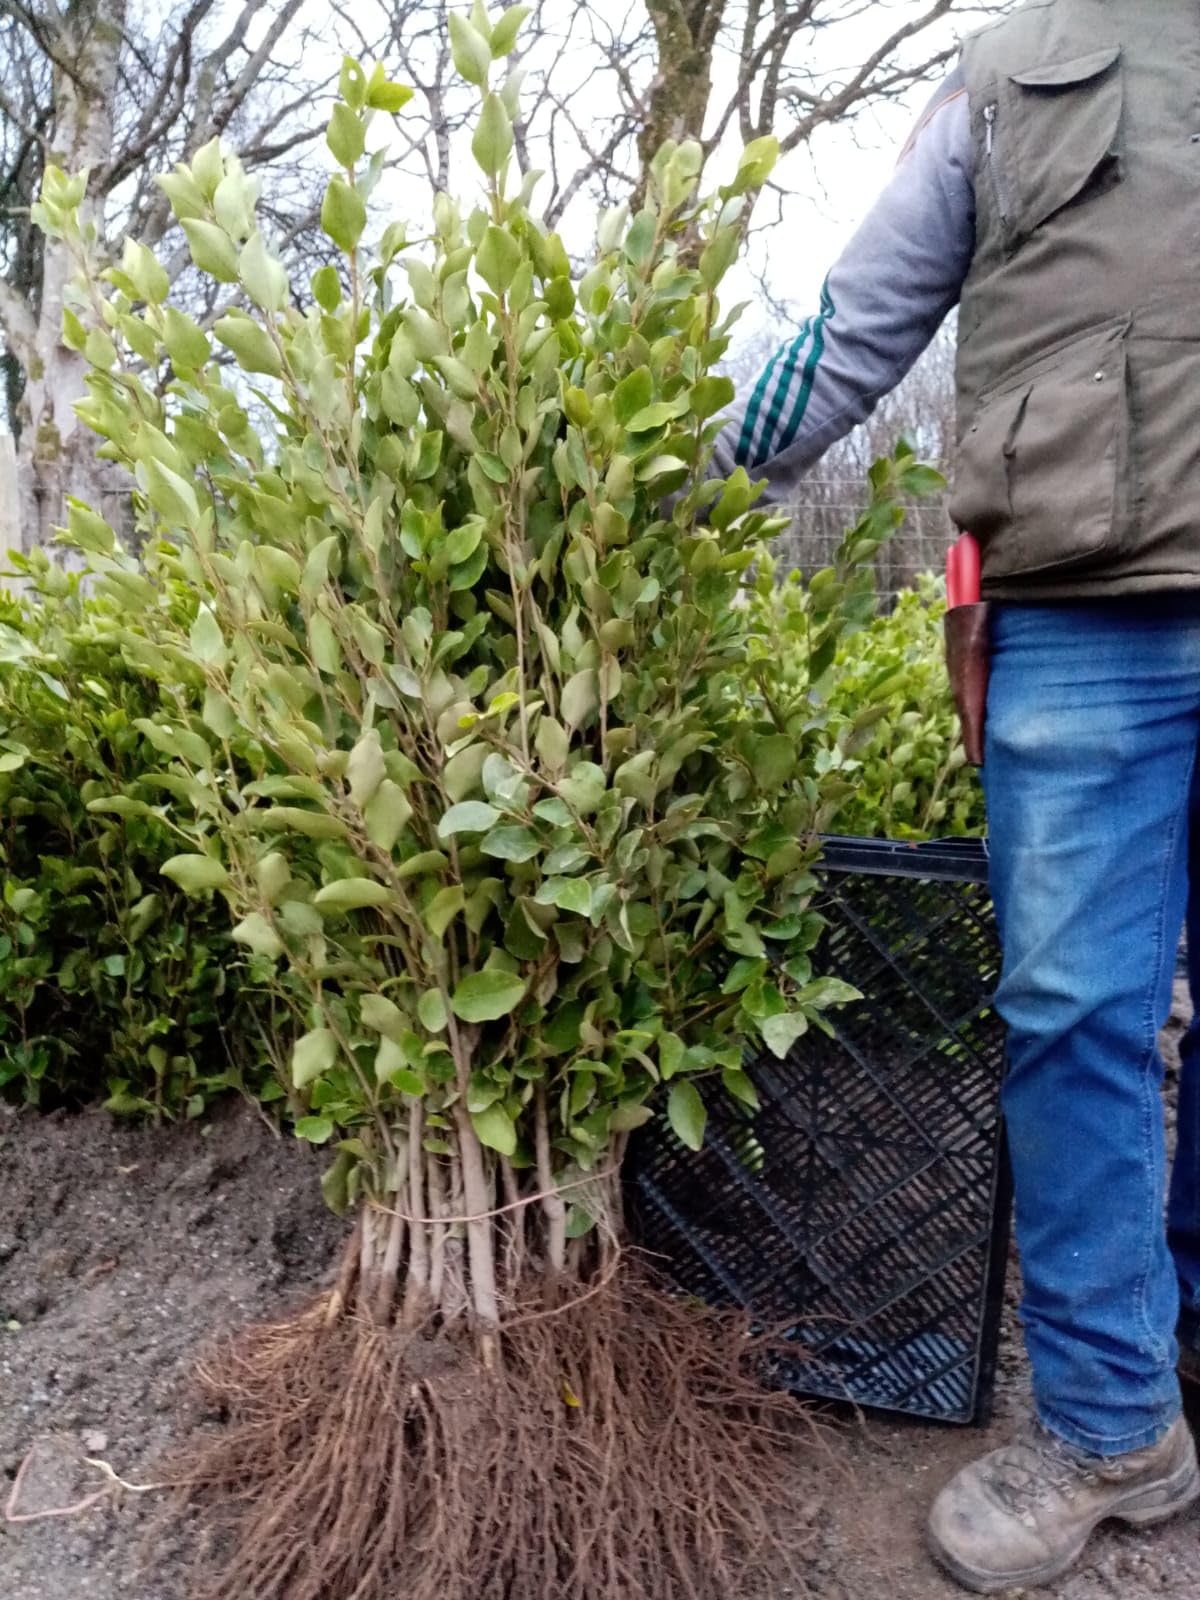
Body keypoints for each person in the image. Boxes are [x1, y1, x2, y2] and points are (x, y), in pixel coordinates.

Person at [712, 0, 1200, 1591]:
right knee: (1071, 1014)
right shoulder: (1008, 68)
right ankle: (1115, 1420)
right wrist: (668, 491)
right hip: (1080, 606)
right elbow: (854, 321)